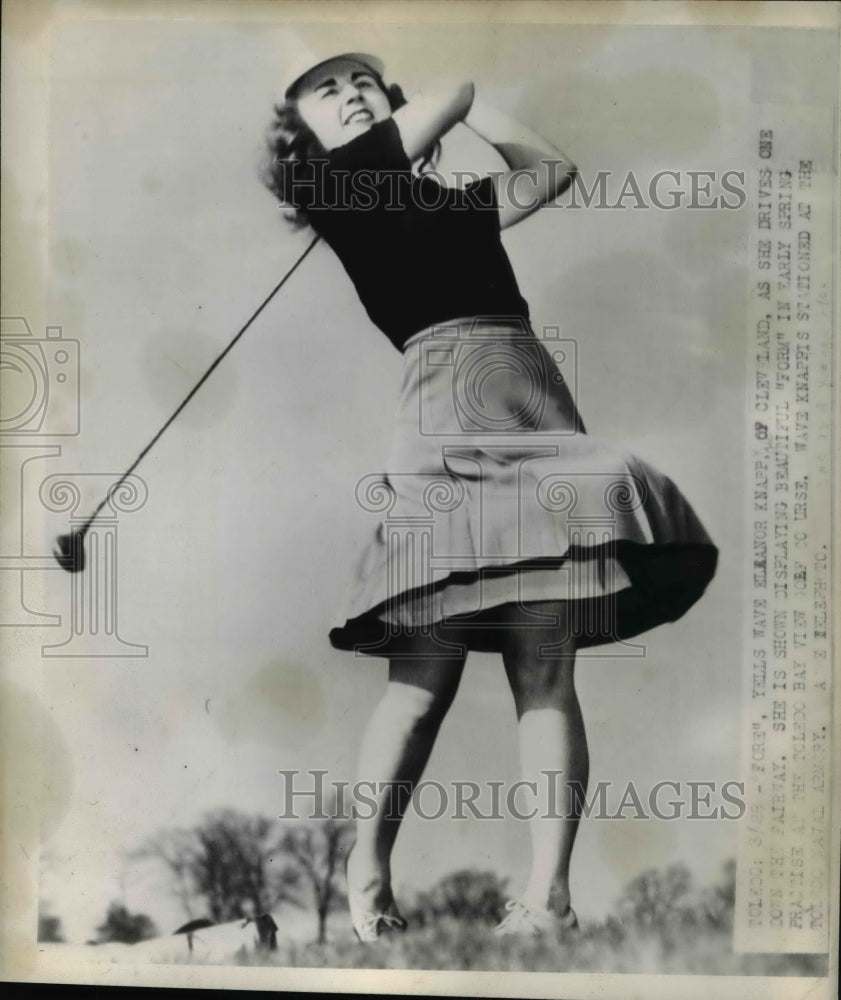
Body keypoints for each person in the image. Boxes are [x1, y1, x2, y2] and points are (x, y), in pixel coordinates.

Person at [262, 49, 718, 941]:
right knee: (422, 678)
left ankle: (546, 897)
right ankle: (368, 867)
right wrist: (450, 98)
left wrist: (453, 125)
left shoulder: (445, 206)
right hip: (441, 416)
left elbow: (550, 170)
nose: (349, 93)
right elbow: (452, 95)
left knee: (545, 661)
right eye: (327, 89)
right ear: (304, 135)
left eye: (363, 82)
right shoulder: (339, 185)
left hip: (530, 401)